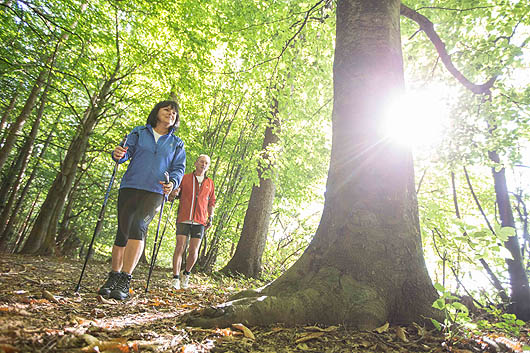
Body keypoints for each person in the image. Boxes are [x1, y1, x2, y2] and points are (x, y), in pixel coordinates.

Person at [97, 100, 186, 300]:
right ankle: (113, 276)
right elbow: (123, 154)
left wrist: (172, 182)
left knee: (138, 226)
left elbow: (178, 168)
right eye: (167, 110)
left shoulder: (177, 143)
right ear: (156, 112)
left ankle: (125, 278)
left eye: (174, 113)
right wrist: (118, 154)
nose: (171, 114)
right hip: (130, 185)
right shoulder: (138, 132)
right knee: (123, 230)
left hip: (155, 191)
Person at [170, 154, 215, 290]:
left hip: (200, 220)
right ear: (196, 163)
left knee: (194, 250)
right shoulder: (185, 178)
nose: (203, 164)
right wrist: (174, 192)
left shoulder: (209, 183)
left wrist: (210, 217)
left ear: (208, 166)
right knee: (180, 247)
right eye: (201, 162)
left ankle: (187, 274)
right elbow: (175, 194)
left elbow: (212, 201)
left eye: (206, 163)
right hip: (184, 217)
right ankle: (175, 278)